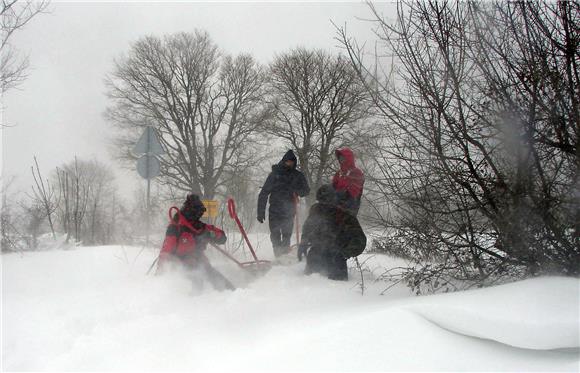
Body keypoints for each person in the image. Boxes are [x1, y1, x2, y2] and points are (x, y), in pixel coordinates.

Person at [157, 193, 234, 291]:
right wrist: (160, 272)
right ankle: (194, 301)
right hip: (180, 265)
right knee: (197, 278)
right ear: (190, 212)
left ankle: (232, 293)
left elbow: (221, 237)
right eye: (197, 214)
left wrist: (211, 235)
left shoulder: (199, 226)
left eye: (200, 214)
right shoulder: (175, 228)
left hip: (199, 261)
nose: (199, 217)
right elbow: (166, 251)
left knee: (216, 278)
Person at [297, 184, 367, 281]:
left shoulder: (344, 215)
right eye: (320, 202)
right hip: (316, 255)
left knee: (336, 288)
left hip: (336, 260)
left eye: (326, 202)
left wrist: (344, 253)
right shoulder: (316, 210)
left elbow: (360, 240)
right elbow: (307, 228)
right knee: (309, 282)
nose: (323, 206)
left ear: (333, 201)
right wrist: (303, 243)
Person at [257, 150, 310, 257]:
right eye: (287, 161)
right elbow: (264, 193)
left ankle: (284, 257)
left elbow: (306, 190)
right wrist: (260, 212)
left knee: (286, 235)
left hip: (289, 211)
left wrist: (297, 191)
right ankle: (278, 256)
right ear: (284, 161)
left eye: (291, 162)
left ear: (294, 163)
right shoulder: (275, 174)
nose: (289, 164)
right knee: (275, 235)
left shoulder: (297, 175)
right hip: (274, 210)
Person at [332, 147, 365, 216]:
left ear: (348, 158)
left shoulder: (356, 172)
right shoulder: (339, 173)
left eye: (343, 158)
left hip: (349, 209)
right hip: (336, 207)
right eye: (340, 158)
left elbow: (353, 193)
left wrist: (337, 195)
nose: (341, 160)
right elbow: (333, 187)